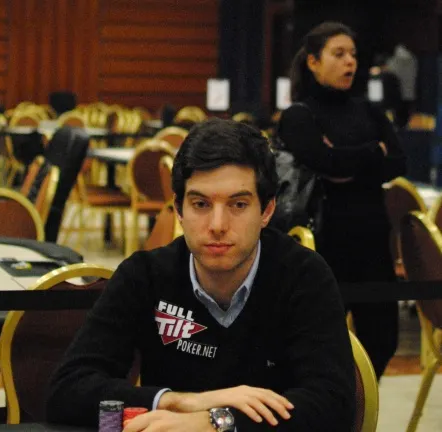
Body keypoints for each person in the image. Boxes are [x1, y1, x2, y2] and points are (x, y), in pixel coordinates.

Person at [46, 118, 355, 431]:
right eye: (200, 204)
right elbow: (67, 392)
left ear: (266, 211)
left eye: (238, 204)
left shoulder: (304, 277)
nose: (217, 225)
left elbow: (333, 407)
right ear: (179, 210)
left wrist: (216, 423)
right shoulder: (144, 275)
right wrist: (178, 401)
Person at [275, 22, 406, 380]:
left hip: (373, 238)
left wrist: (345, 161)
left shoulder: (369, 111)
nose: (350, 61)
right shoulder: (299, 114)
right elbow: (325, 162)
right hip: (324, 240)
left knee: (383, 340)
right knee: (320, 344)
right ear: (313, 61)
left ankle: (359, 402)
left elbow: (398, 162)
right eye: (339, 54)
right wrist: (372, 152)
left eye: (353, 54)